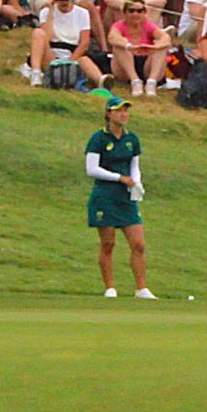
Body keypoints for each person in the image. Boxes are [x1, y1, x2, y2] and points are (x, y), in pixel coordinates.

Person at [84, 93, 153, 298]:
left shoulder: (132, 139)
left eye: (126, 110)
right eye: (119, 110)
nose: (123, 114)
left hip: (125, 198)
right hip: (105, 195)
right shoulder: (99, 138)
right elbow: (91, 169)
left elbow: (135, 166)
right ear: (109, 114)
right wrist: (119, 178)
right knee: (108, 243)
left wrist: (136, 183)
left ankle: (141, 288)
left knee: (138, 244)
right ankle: (110, 287)